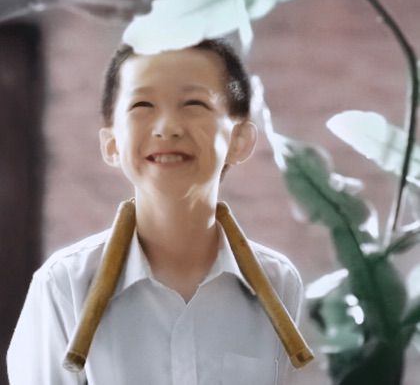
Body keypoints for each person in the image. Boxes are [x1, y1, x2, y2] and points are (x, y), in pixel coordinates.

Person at [7, 39, 303, 384]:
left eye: (194, 104)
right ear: (111, 143)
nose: (167, 127)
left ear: (240, 140)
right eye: (142, 105)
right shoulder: (64, 285)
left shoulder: (279, 283)